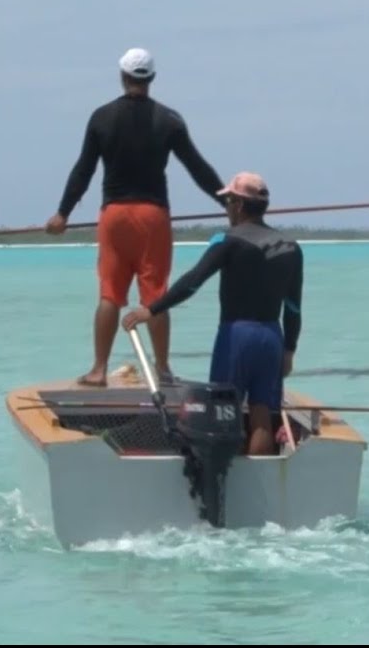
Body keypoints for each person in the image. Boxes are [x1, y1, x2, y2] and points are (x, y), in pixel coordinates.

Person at [46, 47, 226, 387]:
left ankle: (99, 369)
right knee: (156, 296)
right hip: (152, 215)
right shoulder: (170, 120)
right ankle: (162, 370)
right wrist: (226, 201)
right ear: (152, 78)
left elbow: (83, 170)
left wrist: (62, 213)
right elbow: (197, 167)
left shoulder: (101, 117)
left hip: (113, 216)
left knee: (109, 294)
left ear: (122, 76)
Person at [121, 172, 303, 455]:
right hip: (272, 337)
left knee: (222, 414)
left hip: (236, 337)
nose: (227, 208)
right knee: (262, 417)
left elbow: (194, 280)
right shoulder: (290, 247)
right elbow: (293, 307)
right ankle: (260, 486)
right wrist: (289, 350)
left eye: (228, 201)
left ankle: (220, 485)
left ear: (239, 205)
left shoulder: (228, 240)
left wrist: (151, 309)